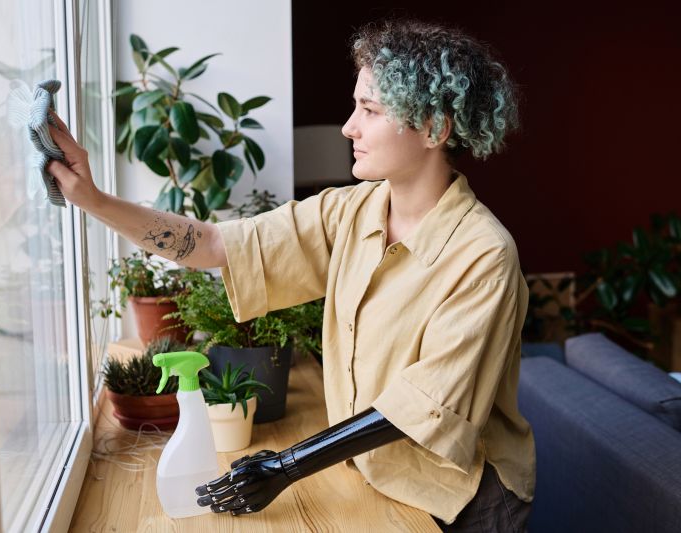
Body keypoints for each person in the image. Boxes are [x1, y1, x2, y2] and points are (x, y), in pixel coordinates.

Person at [46, 17, 535, 532]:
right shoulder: (350, 212)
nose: (349, 126)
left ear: (434, 128)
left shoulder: (484, 256)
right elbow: (215, 244)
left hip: (464, 498)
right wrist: (92, 199)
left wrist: (286, 465)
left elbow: (420, 406)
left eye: (369, 109)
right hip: (376, 475)